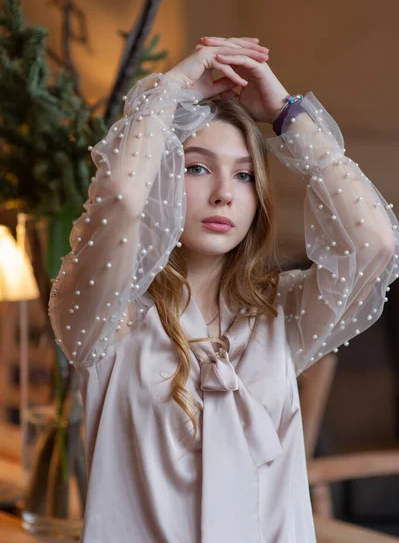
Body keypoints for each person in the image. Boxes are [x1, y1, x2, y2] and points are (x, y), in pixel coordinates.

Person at [48, 36, 399, 543]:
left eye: (244, 175)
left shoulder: (283, 316)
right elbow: (123, 197)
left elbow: (377, 242)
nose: (223, 193)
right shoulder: (109, 318)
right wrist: (166, 91)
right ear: (165, 176)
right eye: (196, 167)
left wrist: (285, 115)